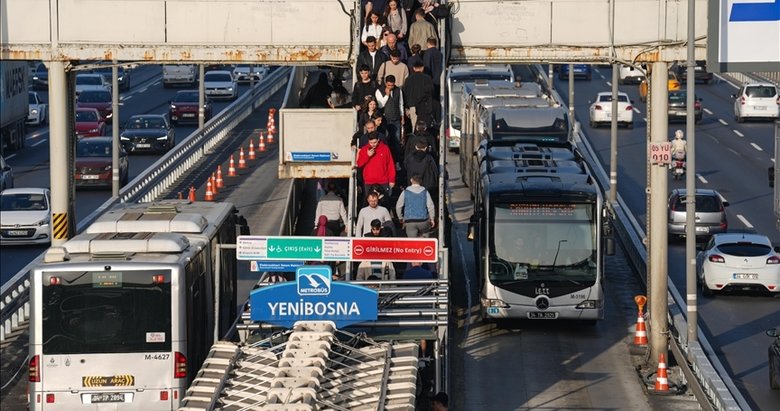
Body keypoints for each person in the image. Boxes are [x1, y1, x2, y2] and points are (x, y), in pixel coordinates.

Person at [375, 75, 405, 162]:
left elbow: (400, 104)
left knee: (397, 141)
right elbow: (380, 105)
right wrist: (387, 95)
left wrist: (402, 116)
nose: (390, 87)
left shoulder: (398, 90)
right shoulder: (379, 91)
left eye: (392, 85)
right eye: (388, 85)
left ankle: (397, 161)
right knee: (386, 140)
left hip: (396, 118)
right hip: (385, 119)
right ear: (385, 83)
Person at [403, 60, 434, 127]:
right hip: (425, 107)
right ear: (422, 68)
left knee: (415, 126)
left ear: (414, 68)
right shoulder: (427, 78)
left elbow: (405, 94)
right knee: (424, 127)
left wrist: (407, 108)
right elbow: (430, 92)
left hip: (412, 106)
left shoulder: (408, 80)